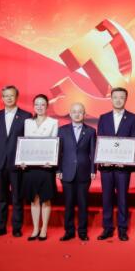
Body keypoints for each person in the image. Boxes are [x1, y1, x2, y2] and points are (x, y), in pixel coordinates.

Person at [97, 87, 135, 241]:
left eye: (121, 97)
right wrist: (102, 158)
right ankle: (107, 228)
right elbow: (100, 139)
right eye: (115, 97)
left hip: (123, 167)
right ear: (111, 98)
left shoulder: (133, 118)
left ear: (126, 99)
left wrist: (128, 161)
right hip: (106, 166)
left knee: (123, 198)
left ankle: (122, 229)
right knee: (106, 198)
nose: (118, 100)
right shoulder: (103, 117)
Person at [0, 85, 32, 238]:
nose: (8, 98)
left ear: (16, 97)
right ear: (2, 98)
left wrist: (25, 159)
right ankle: (0, 227)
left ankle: (16, 228)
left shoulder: (26, 116)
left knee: (17, 197)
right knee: (2, 197)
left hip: (17, 162)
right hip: (0, 162)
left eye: (11, 95)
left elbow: (28, 140)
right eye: (6, 96)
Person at [21, 94, 59, 241]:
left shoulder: (53, 122)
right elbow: (25, 143)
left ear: (47, 106)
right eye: (37, 104)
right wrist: (22, 160)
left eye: (42, 104)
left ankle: (44, 229)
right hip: (30, 166)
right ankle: (36, 228)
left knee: (46, 198)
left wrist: (52, 160)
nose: (39, 107)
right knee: (34, 199)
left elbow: (54, 143)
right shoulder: (27, 122)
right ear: (33, 106)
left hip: (46, 166)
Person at [57, 102, 96, 241]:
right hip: (66, 171)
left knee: (83, 203)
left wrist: (93, 170)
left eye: (80, 112)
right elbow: (58, 152)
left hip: (84, 172)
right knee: (68, 204)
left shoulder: (91, 131)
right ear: (70, 113)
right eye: (74, 111)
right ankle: (69, 231)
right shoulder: (62, 130)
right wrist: (58, 169)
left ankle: (82, 231)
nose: (77, 114)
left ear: (84, 114)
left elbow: (93, 152)